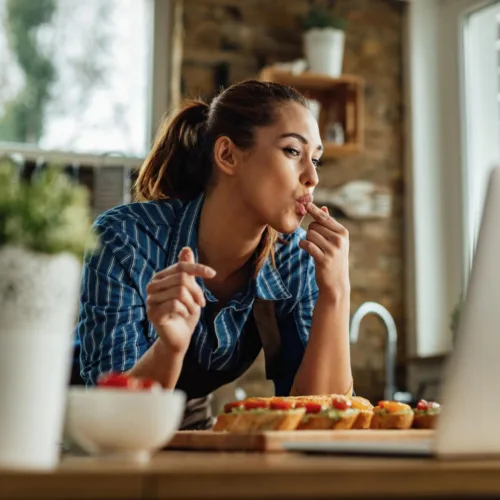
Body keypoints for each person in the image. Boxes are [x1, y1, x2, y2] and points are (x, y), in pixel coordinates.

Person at [75, 80, 352, 429]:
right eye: (293, 152)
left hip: (187, 423)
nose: (311, 177)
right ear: (228, 155)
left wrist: (336, 294)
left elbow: (320, 419)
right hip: (81, 428)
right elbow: (111, 419)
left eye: (316, 160)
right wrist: (169, 348)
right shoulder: (125, 239)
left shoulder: (296, 259)